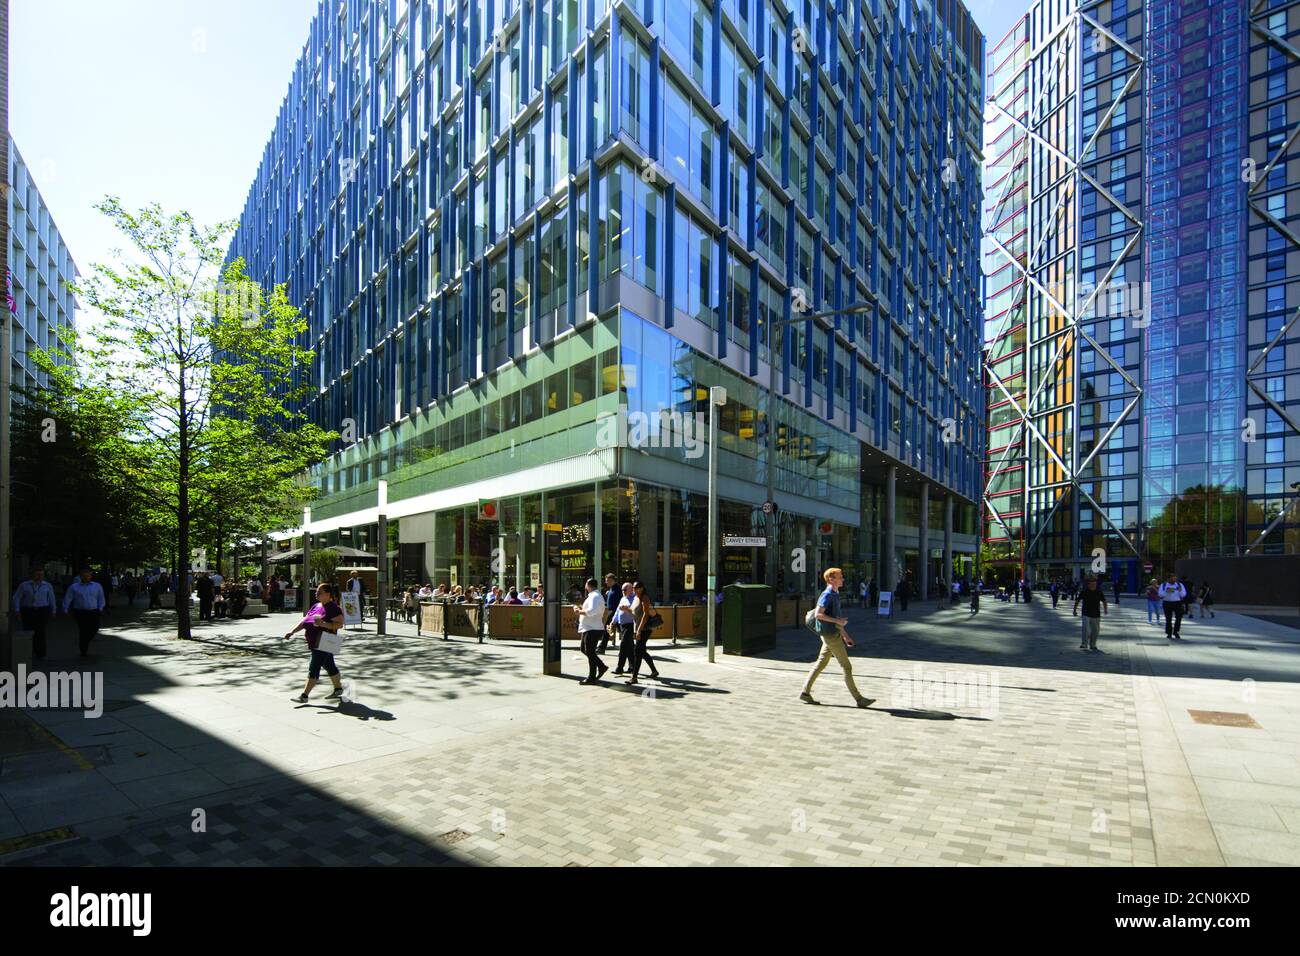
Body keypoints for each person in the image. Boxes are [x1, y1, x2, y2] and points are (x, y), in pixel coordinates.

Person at [800, 568, 872, 708]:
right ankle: (859, 699)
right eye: (840, 577)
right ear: (831, 579)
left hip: (831, 635)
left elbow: (837, 620)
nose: (843, 579)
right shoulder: (827, 595)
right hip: (831, 636)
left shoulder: (835, 594)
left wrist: (846, 636)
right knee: (847, 667)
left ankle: (805, 692)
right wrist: (838, 623)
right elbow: (818, 615)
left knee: (821, 663)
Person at [283, 583, 346, 703]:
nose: (316, 594)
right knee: (329, 665)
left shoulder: (333, 607)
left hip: (326, 640)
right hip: (316, 641)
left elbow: (339, 624)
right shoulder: (316, 605)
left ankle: (304, 696)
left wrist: (324, 624)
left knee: (314, 667)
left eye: (319, 592)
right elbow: (305, 620)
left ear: (328, 594)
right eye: (316, 592)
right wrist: (292, 631)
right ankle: (338, 689)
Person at [12, 566, 57, 660]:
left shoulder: (47, 585)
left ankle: (40, 653)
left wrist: (53, 610)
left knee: (40, 631)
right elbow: (17, 597)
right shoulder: (24, 585)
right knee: (28, 630)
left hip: (42, 610)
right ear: (32, 575)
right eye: (37, 574)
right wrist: (17, 610)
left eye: (41, 574)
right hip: (28, 610)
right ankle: (29, 650)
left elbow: (52, 598)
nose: (40, 576)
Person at [63, 567, 107, 657]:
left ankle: (85, 642)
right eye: (84, 576)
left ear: (90, 576)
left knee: (94, 629)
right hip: (80, 612)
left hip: (94, 611)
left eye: (88, 576)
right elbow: (68, 598)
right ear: (80, 577)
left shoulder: (97, 586)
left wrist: (101, 608)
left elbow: (101, 598)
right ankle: (83, 649)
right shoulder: (74, 587)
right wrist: (65, 608)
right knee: (83, 630)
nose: (86, 578)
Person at [575, 578, 610, 686]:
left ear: (588, 585)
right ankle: (601, 666)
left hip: (593, 628)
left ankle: (592, 677)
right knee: (584, 649)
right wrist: (579, 608)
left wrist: (579, 611)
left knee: (589, 651)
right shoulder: (593, 596)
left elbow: (592, 611)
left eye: (585, 583)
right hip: (589, 627)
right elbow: (591, 609)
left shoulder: (595, 596)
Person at [628, 582, 661, 685]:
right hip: (637, 628)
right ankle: (654, 671)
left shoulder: (644, 598)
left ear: (641, 588)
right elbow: (634, 612)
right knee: (642, 651)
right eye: (633, 587)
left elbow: (646, 615)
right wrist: (626, 609)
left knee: (637, 652)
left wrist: (639, 630)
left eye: (636, 587)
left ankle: (634, 677)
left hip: (644, 629)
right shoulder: (635, 598)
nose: (634, 589)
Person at [1072, 576, 1108, 652]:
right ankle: (1084, 644)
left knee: (1095, 631)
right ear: (1088, 585)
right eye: (1091, 584)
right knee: (1086, 629)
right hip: (1086, 613)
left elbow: (1104, 601)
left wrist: (1105, 609)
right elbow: (1077, 601)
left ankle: (1093, 644)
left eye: (1094, 584)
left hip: (1096, 614)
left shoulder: (1099, 592)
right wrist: (1074, 610)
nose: (1093, 585)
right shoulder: (1084, 592)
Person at [612, 582, 638, 676]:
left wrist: (627, 609)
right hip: (622, 625)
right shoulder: (623, 598)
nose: (623, 591)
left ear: (631, 589)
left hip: (630, 625)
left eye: (625, 589)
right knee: (629, 647)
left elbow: (636, 612)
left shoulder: (635, 598)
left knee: (623, 645)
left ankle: (620, 667)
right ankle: (632, 667)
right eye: (622, 590)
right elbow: (617, 611)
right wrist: (613, 621)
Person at [1158, 573, 1186, 641]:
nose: (1174, 580)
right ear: (1168, 579)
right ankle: (1169, 633)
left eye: (1175, 578)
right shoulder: (1163, 585)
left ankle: (1176, 631)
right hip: (1167, 603)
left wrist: (1179, 590)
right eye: (1172, 579)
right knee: (1168, 619)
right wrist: (1166, 591)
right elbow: (1160, 595)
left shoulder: (1179, 585)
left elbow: (1183, 595)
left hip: (1177, 603)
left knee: (1179, 618)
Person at [600, 573, 620, 654]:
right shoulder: (612, 589)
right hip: (611, 612)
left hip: (615, 612)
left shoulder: (617, 589)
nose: (606, 582)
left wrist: (616, 614)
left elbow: (619, 602)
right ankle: (601, 647)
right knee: (608, 630)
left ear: (612, 580)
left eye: (607, 581)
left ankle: (601, 647)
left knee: (608, 630)